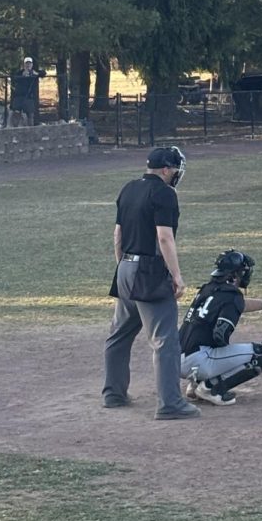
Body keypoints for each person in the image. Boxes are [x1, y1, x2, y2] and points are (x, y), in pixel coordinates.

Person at [102, 145, 199, 420]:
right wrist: (177, 276)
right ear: (166, 170)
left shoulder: (128, 188)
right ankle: (170, 404)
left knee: (118, 336)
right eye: (175, 169)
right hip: (149, 273)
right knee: (165, 341)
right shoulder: (164, 193)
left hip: (124, 270)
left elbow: (117, 235)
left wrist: (123, 266)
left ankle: (113, 394)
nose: (177, 174)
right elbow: (164, 237)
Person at [179, 250, 262, 407]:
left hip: (175, 359)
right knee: (260, 353)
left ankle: (195, 385)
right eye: (242, 272)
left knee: (208, 345)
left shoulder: (208, 289)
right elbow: (220, 334)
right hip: (198, 360)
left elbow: (240, 304)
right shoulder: (232, 296)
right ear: (234, 275)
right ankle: (210, 388)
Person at [7, 55, 46, 126]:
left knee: (30, 115)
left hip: (29, 97)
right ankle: (14, 130)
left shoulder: (34, 72)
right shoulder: (20, 73)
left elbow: (43, 73)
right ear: (24, 64)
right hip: (19, 97)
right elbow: (15, 78)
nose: (28, 65)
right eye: (26, 63)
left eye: (30, 63)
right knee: (16, 114)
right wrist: (22, 76)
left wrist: (36, 74)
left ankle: (31, 130)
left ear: (32, 64)